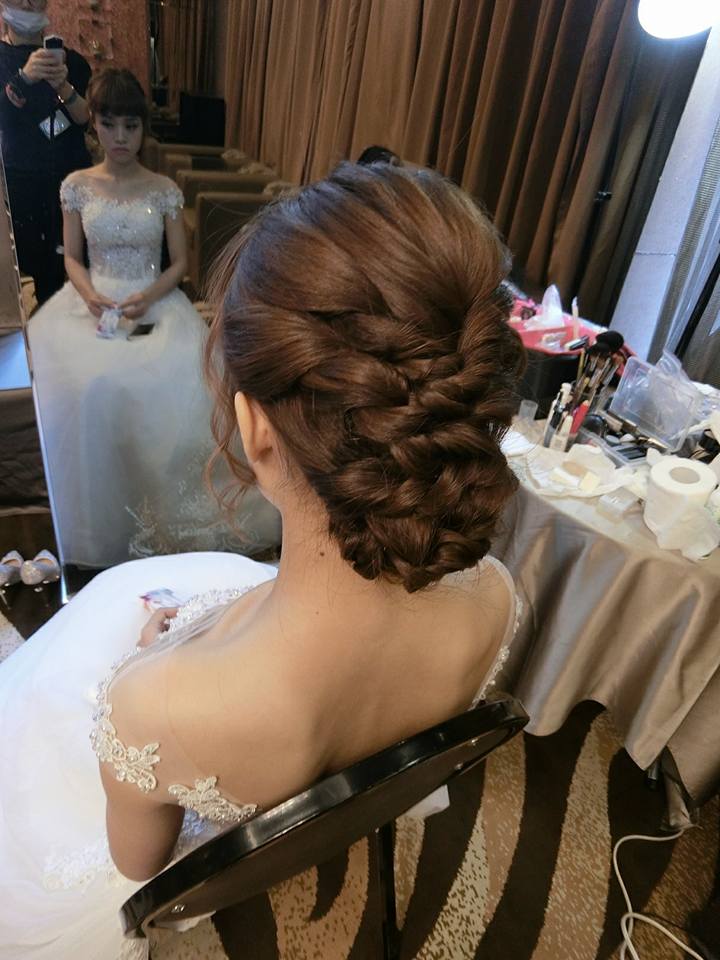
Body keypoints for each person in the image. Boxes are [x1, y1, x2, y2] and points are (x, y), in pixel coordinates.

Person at [0, 161, 525, 959]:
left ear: (257, 432)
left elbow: (138, 869)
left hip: (210, 706)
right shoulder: (496, 596)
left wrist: (152, 666)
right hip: (328, 689)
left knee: (58, 672)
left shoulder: (152, 709)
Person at [26, 67, 280, 568]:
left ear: (143, 128)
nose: (121, 137)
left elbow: (181, 263)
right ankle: (97, 522)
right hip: (92, 302)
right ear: (94, 124)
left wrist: (148, 294)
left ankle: (160, 516)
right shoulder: (76, 185)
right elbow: (72, 257)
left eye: (131, 126)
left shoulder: (163, 188)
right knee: (83, 387)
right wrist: (90, 294)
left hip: (154, 301)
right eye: (109, 124)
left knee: (183, 387)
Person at [0, 0, 91, 304]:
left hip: (67, 182)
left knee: (62, 278)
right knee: (17, 273)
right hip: (18, 184)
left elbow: (84, 120)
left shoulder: (73, 63)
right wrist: (22, 80)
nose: (27, 2)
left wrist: (62, 86)